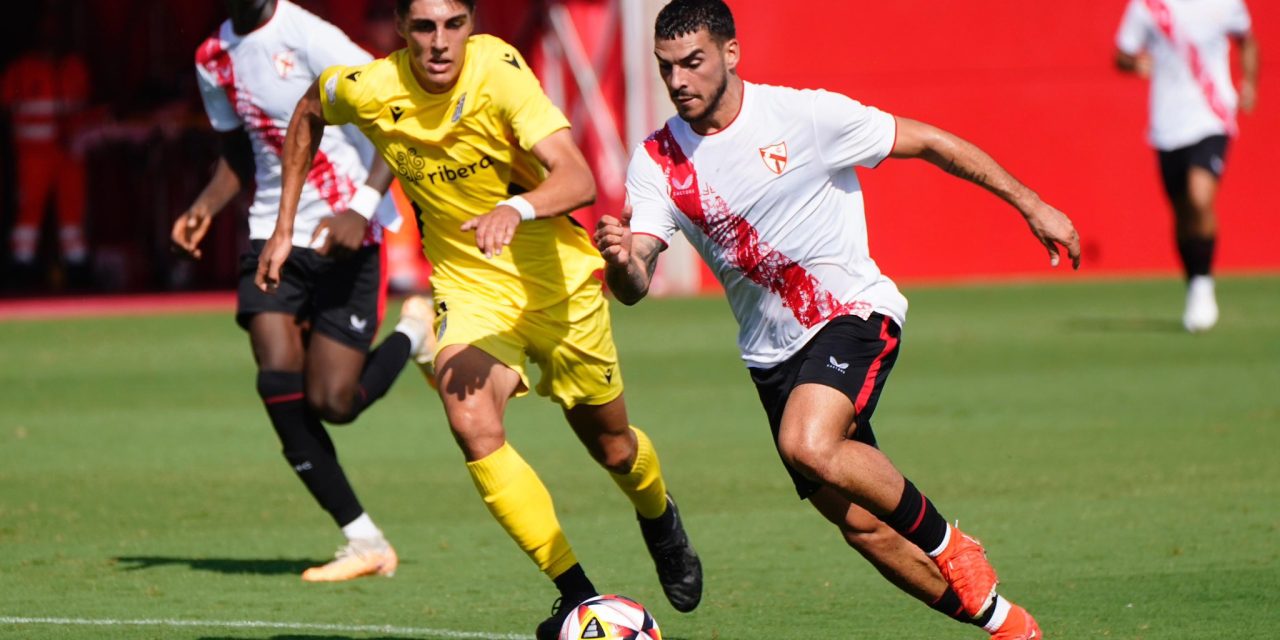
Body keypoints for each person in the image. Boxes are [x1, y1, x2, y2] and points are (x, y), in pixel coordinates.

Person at [596, 1, 1082, 638]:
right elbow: (636, 281)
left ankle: (951, 546)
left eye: (693, 63)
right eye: (667, 69)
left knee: (809, 442)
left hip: (852, 313)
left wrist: (1032, 203)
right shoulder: (657, 159)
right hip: (771, 357)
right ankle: (1008, 625)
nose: (679, 80)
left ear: (731, 53)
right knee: (864, 527)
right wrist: (622, 258)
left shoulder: (805, 116)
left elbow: (931, 142)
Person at [254, 1, 702, 637]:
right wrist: (281, 230)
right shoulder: (370, 86)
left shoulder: (498, 70)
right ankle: (577, 595)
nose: (441, 43)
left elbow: (575, 178)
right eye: (426, 27)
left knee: (613, 446)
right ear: (403, 31)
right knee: (471, 420)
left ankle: (659, 516)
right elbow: (308, 111)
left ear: (471, 24)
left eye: (454, 24)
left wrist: (516, 209)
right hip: (469, 291)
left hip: (560, 287)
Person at [173, 0, 432, 582]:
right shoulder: (212, 57)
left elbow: (400, 113)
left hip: (346, 233)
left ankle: (415, 333)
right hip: (272, 233)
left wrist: (361, 207)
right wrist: (204, 208)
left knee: (334, 403)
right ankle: (363, 539)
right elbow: (240, 152)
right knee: (276, 378)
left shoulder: (309, 36)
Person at [1114, 0, 1258, 333]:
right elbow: (1121, 54)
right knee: (1182, 212)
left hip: (1212, 116)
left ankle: (1204, 286)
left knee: (1199, 196)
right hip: (1167, 124)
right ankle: (1195, 282)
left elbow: (1247, 39)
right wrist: (1136, 64)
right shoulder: (1148, 6)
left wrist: (1249, 82)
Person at [1, 9, 91, 289]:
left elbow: (87, 107)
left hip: (68, 155)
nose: (51, 35)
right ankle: (21, 269)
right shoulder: (20, 70)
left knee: (72, 215)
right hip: (33, 155)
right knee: (28, 214)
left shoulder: (73, 67)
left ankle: (77, 271)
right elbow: (5, 109)